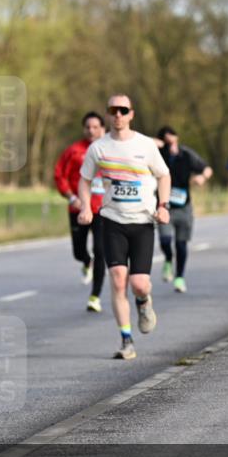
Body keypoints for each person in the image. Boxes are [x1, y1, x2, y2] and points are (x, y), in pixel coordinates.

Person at [76, 94, 170, 360]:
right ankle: (126, 340)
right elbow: (84, 180)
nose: (118, 114)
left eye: (123, 110)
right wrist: (85, 206)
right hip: (111, 220)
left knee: (139, 284)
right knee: (118, 280)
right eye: (113, 110)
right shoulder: (99, 148)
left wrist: (163, 206)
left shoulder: (145, 145)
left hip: (141, 221)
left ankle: (143, 301)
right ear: (108, 114)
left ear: (131, 114)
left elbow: (163, 175)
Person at [53, 111, 106, 311]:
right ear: (83, 129)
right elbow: (59, 176)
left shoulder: (111, 149)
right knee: (78, 251)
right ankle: (86, 261)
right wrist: (71, 197)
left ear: (102, 128)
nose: (91, 131)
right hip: (78, 208)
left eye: (95, 127)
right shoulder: (73, 151)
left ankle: (95, 296)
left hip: (102, 209)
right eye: (88, 127)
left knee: (101, 251)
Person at [156, 126, 212, 293]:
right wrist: (157, 144)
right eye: (167, 142)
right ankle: (167, 258)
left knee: (181, 244)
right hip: (164, 207)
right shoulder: (157, 155)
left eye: (173, 141)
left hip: (184, 206)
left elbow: (207, 168)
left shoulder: (186, 154)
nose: (171, 146)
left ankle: (179, 277)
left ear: (177, 139)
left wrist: (202, 177)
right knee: (165, 240)